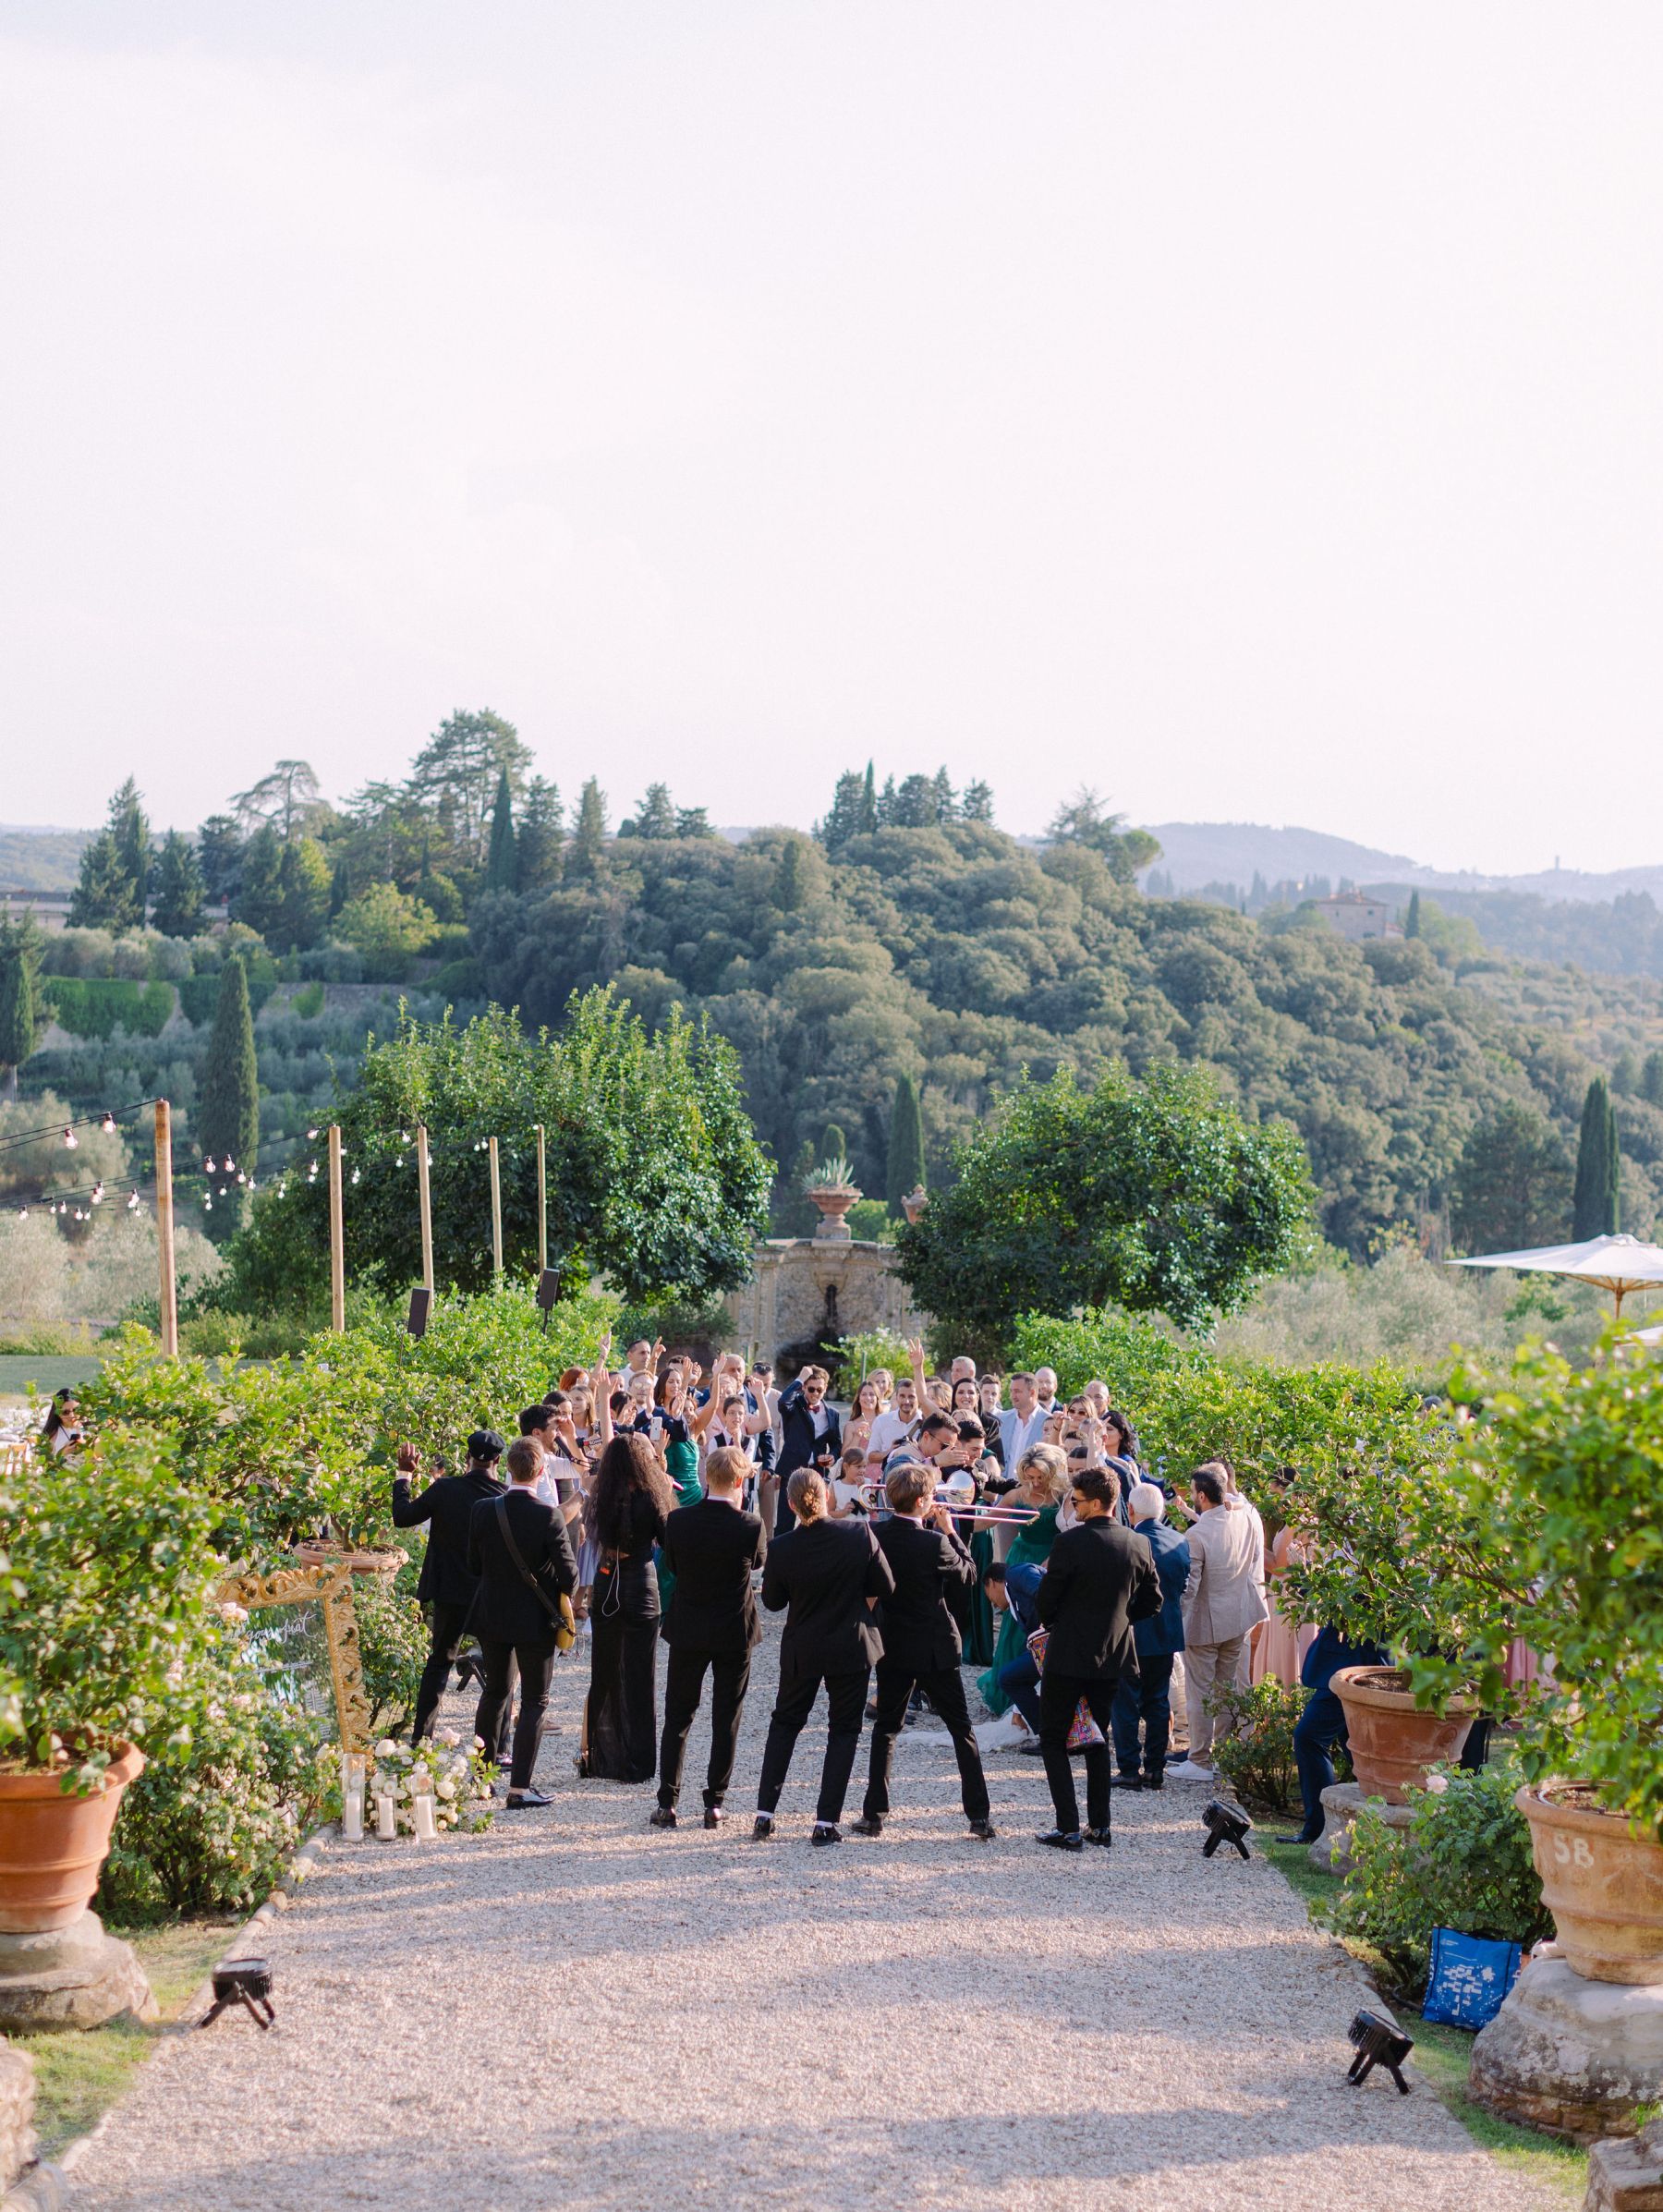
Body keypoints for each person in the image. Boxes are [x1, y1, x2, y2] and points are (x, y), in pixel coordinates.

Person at [852, 1463, 994, 1841]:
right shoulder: (935, 1542)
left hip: (893, 1643)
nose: (937, 1500)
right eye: (932, 1495)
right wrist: (950, 1531)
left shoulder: (876, 1533)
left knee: (886, 1729)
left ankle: (874, 1815)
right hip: (935, 1646)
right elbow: (969, 1575)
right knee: (961, 1729)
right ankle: (979, 1817)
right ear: (921, 1501)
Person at [753, 1468, 893, 1844]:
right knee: (843, 1731)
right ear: (827, 1494)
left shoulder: (782, 1546)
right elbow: (886, 1584)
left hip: (804, 1645)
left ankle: (765, 1814)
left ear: (790, 1504)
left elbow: (773, 1601)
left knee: (785, 1724)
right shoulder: (858, 1534)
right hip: (850, 1643)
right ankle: (825, 1821)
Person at [1032, 1467, 1161, 1851]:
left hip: (1069, 1652)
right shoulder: (1137, 1543)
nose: (1073, 1507)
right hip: (1112, 1655)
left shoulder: (1070, 1543)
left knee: (1053, 1737)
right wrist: (1120, 1620)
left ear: (1096, 1503)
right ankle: (1100, 1825)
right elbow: (1153, 1601)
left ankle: (1068, 1826)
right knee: (1097, 1738)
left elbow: (1046, 1601)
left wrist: (1058, 1621)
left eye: (1076, 1501)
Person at [650, 1445, 767, 1830]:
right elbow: (760, 1562)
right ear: (738, 1481)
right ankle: (714, 1803)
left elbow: (672, 1565)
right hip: (733, 1628)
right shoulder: (750, 1524)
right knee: (725, 1718)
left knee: (678, 1717)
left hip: (689, 1627)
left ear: (706, 1478)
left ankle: (667, 1802)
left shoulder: (679, 1521)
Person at [466, 1436, 577, 1809]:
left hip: (492, 1614)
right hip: (535, 1621)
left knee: (495, 1692)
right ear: (542, 1471)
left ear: (508, 1468)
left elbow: (473, 1565)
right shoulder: (549, 1516)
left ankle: (482, 1780)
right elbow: (570, 1578)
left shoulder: (483, 1509)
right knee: (534, 1700)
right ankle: (519, 1788)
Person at [581, 1357, 676, 1782]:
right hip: (641, 1584)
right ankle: (639, 1764)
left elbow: (604, 1455)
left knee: (603, 1673)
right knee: (641, 1676)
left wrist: (603, 1400)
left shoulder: (602, 1497)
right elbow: (670, 1543)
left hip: (606, 1583)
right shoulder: (653, 1499)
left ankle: (599, 1757)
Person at [395, 1429, 508, 1744]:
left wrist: (404, 1474)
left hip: (449, 1589)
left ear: (467, 1457)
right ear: (497, 1460)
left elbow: (402, 1517)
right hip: (488, 1592)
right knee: (500, 1675)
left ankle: (421, 1739)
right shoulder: (503, 1496)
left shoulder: (445, 1489)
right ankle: (501, 1746)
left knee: (440, 1662)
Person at [1169, 1463, 1268, 1784]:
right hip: (1238, 1616)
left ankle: (1199, 1759)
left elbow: (1191, 1587)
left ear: (1200, 1495)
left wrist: (1173, 1613)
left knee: (1200, 1691)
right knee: (1227, 1689)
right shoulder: (1244, 1516)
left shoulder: (1196, 1534)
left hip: (1205, 1623)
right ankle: (1225, 1755)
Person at [1273, 1622, 1390, 1847]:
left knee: (1309, 1737)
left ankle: (1323, 1828)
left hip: (1355, 1663)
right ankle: (1354, 1829)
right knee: (1357, 1749)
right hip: (1356, 1660)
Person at [1111, 1482, 1191, 1792]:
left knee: (1126, 1700)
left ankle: (1129, 1768)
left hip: (1131, 1629)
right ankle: (1155, 1768)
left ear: (1130, 1510)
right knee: (1157, 1699)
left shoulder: (1129, 1540)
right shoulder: (1180, 1541)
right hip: (1166, 1629)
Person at [976, 1442, 1066, 1713]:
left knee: (1042, 1624)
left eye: (1041, 1477)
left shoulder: (1063, 1497)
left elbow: (1065, 1536)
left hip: (1050, 1559)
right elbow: (986, 1521)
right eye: (1030, 1477)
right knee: (1013, 1626)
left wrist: (1046, 1566)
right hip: (1021, 1558)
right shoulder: (1017, 1494)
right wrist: (953, 1520)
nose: (1035, 1483)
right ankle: (1007, 1692)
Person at [775, 1366, 841, 1496]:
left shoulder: (833, 1414)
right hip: (791, 1471)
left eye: (819, 1390)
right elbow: (783, 1402)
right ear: (804, 1387)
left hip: (817, 1472)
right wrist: (799, 1379)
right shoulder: (793, 1404)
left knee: (816, 1515)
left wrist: (832, 1456)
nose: (815, 1393)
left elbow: (836, 1443)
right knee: (785, 1516)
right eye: (811, 1389)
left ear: (825, 1388)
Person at [867, 1372, 919, 1464]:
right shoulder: (882, 1421)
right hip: (890, 1476)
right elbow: (870, 1456)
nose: (906, 1401)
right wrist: (890, 1452)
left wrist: (918, 1451)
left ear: (918, 1398)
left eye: (911, 1397)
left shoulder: (926, 1421)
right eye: (902, 1396)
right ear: (896, 1397)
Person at [999, 1373, 1046, 1467]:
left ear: (1032, 1392)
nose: (1012, 1396)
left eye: (1017, 1391)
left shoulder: (1048, 1421)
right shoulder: (1001, 1419)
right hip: (1003, 1481)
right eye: (1011, 1391)